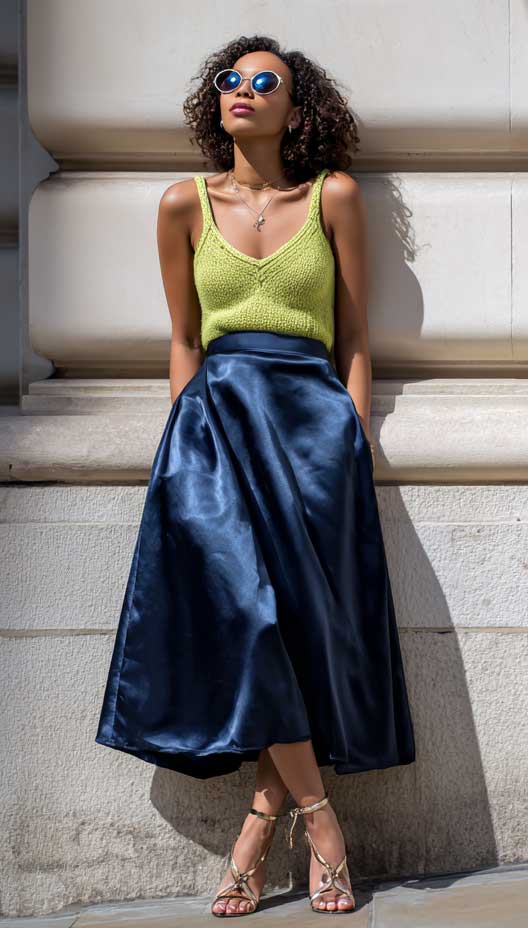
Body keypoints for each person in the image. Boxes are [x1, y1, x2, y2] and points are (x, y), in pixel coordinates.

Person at [94, 36, 416, 917]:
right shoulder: (182, 204)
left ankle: (259, 819)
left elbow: (354, 336)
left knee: (299, 630)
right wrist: (182, 443)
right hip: (214, 434)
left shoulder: (332, 199)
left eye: (262, 81)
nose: (242, 91)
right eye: (230, 81)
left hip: (313, 438)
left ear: (295, 107)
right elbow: (185, 340)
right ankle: (319, 821)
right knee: (249, 619)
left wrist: (352, 433)